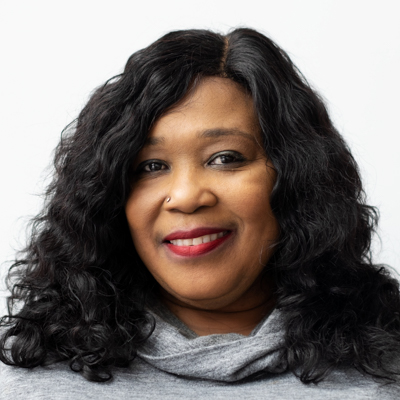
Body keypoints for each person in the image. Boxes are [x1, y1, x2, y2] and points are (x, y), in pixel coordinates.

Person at [1, 28, 400, 399]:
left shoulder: (386, 376)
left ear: (297, 177)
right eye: (151, 166)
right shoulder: (30, 386)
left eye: (225, 158)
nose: (186, 197)